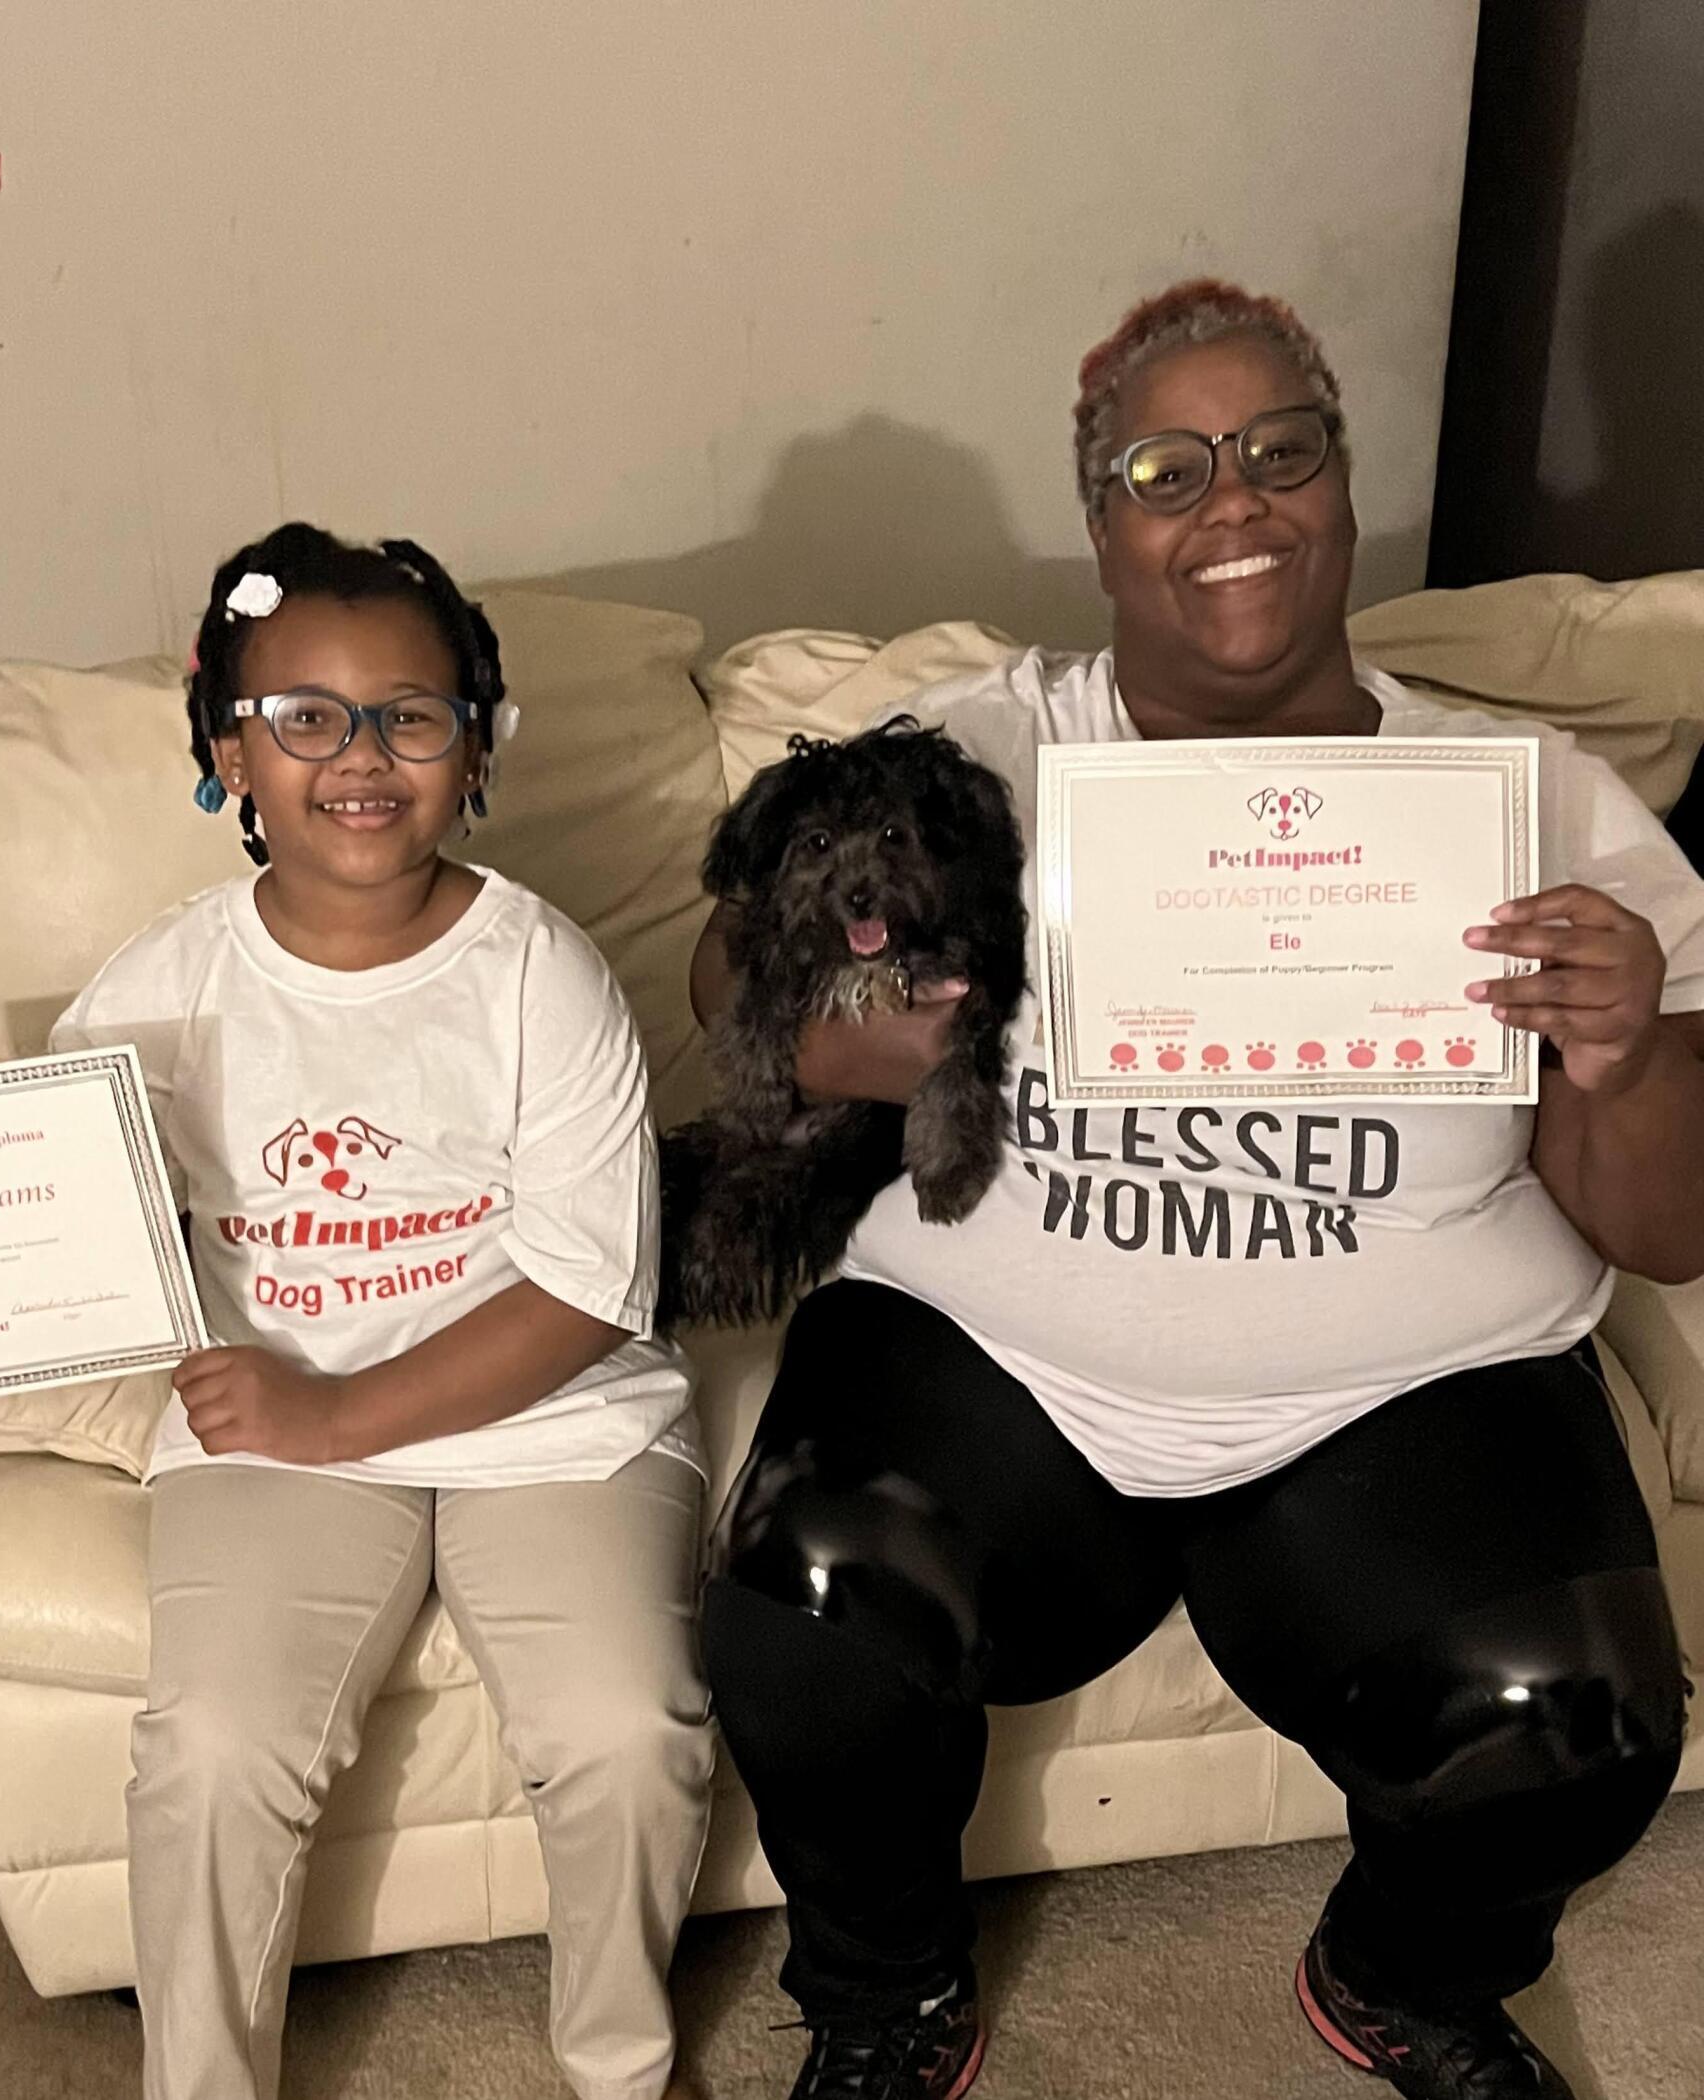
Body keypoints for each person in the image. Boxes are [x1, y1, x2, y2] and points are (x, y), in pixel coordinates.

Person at [690, 282, 1704, 2100]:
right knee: (807, 1601)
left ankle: (1404, 1980)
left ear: (1339, 488)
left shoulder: (1538, 803)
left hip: (1402, 1396)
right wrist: (845, 1038)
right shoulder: (971, 758)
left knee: (1578, 1719)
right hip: (993, 1358)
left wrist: (1625, 1055)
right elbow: (724, 980)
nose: (1230, 503)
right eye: (1169, 467)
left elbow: (1672, 1229)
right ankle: (885, 1990)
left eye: (1278, 453)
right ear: (1102, 523)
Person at [0, 523, 712, 2100]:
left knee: (628, 1727)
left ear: (477, 747)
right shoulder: (160, 987)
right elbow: (41, 1224)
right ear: (230, 751)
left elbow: (584, 1290)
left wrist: (346, 1414)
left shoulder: (538, 975)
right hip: (269, 1422)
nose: (361, 757)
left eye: (411, 715)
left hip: (544, 1414)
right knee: (212, 1751)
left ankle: (619, 2067)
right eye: (307, 718)